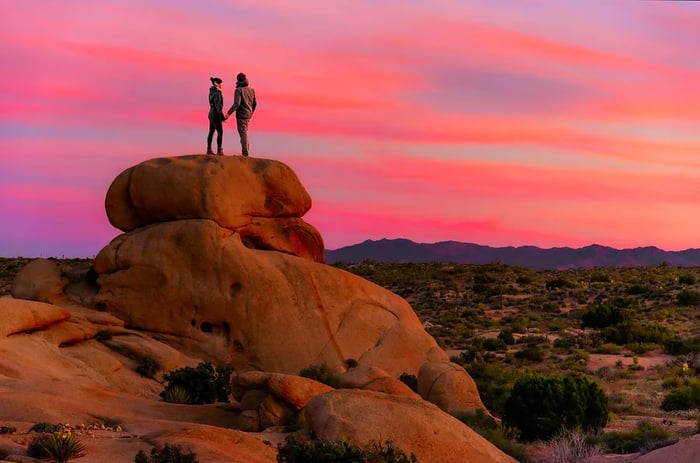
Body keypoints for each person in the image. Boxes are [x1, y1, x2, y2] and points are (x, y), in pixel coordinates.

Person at [226, 72, 257, 157]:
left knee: (243, 133)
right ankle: (246, 150)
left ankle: (245, 153)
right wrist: (251, 112)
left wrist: (228, 114)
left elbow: (237, 104)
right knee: (245, 132)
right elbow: (255, 104)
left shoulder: (238, 90)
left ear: (238, 80)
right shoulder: (251, 90)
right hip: (248, 114)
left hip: (241, 115)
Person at [207, 77, 227, 155]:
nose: (221, 85)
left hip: (211, 114)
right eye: (220, 84)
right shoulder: (217, 94)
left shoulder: (211, 92)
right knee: (220, 132)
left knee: (211, 132)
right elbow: (218, 107)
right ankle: (219, 151)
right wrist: (222, 117)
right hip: (215, 115)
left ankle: (209, 149)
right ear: (216, 84)